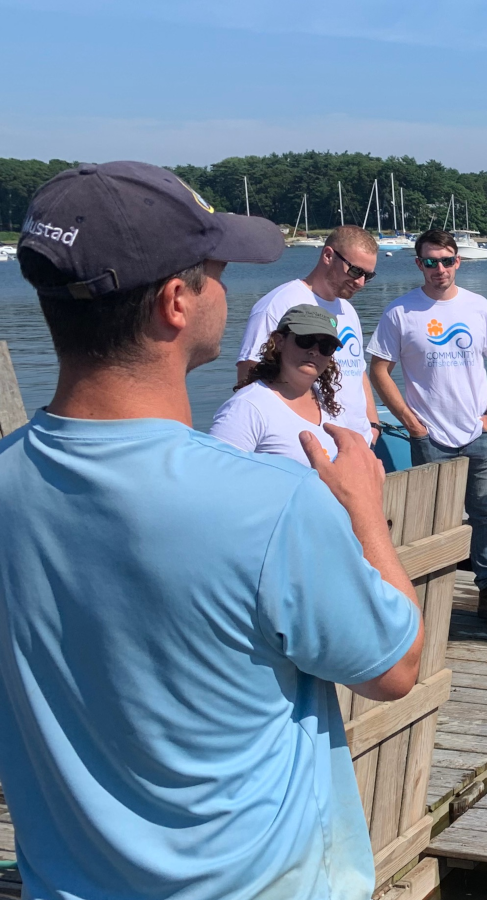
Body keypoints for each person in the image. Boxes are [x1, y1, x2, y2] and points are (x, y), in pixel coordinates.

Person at [1, 161, 422, 900]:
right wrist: (364, 511)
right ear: (175, 302)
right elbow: (393, 668)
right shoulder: (264, 506)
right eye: (218, 271)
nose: (228, 293)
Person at [369, 229, 487, 629]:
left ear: (459, 261)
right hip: (429, 436)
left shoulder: (478, 307)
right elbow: (378, 370)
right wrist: (411, 423)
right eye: (429, 261)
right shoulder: (401, 312)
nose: (439, 268)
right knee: (430, 519)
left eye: (446, 260)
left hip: (478, 433)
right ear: (418, 264)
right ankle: (425, 598)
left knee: (484, 513)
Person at [237, 225, 381, 444]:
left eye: (367, 276)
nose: (360, 282)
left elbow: (357, 370)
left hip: (359, 443)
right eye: (355, 271)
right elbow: (250, 374)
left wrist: (372, 425)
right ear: (328, 255)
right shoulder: (278, 304)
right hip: (309, 444)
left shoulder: (348, 310)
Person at [212, 304, 345, 466]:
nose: (314, 351)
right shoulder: (247, 407)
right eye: (305, 340)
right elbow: (215, 476)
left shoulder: (329, 402)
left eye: (326, 347)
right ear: (279, 341)